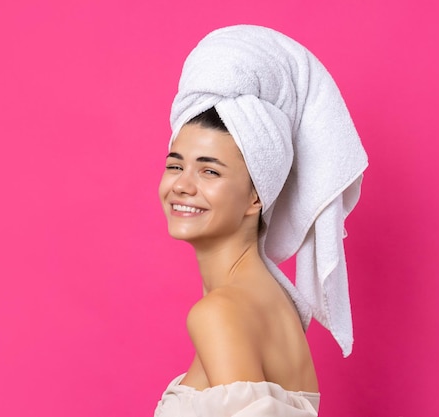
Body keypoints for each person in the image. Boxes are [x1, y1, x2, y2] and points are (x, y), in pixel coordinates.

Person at [154, 25, 368, 417]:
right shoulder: (275, 303)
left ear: (257, 195)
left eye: (210, 171)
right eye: (175, 164)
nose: (182, 185)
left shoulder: (219, 312)